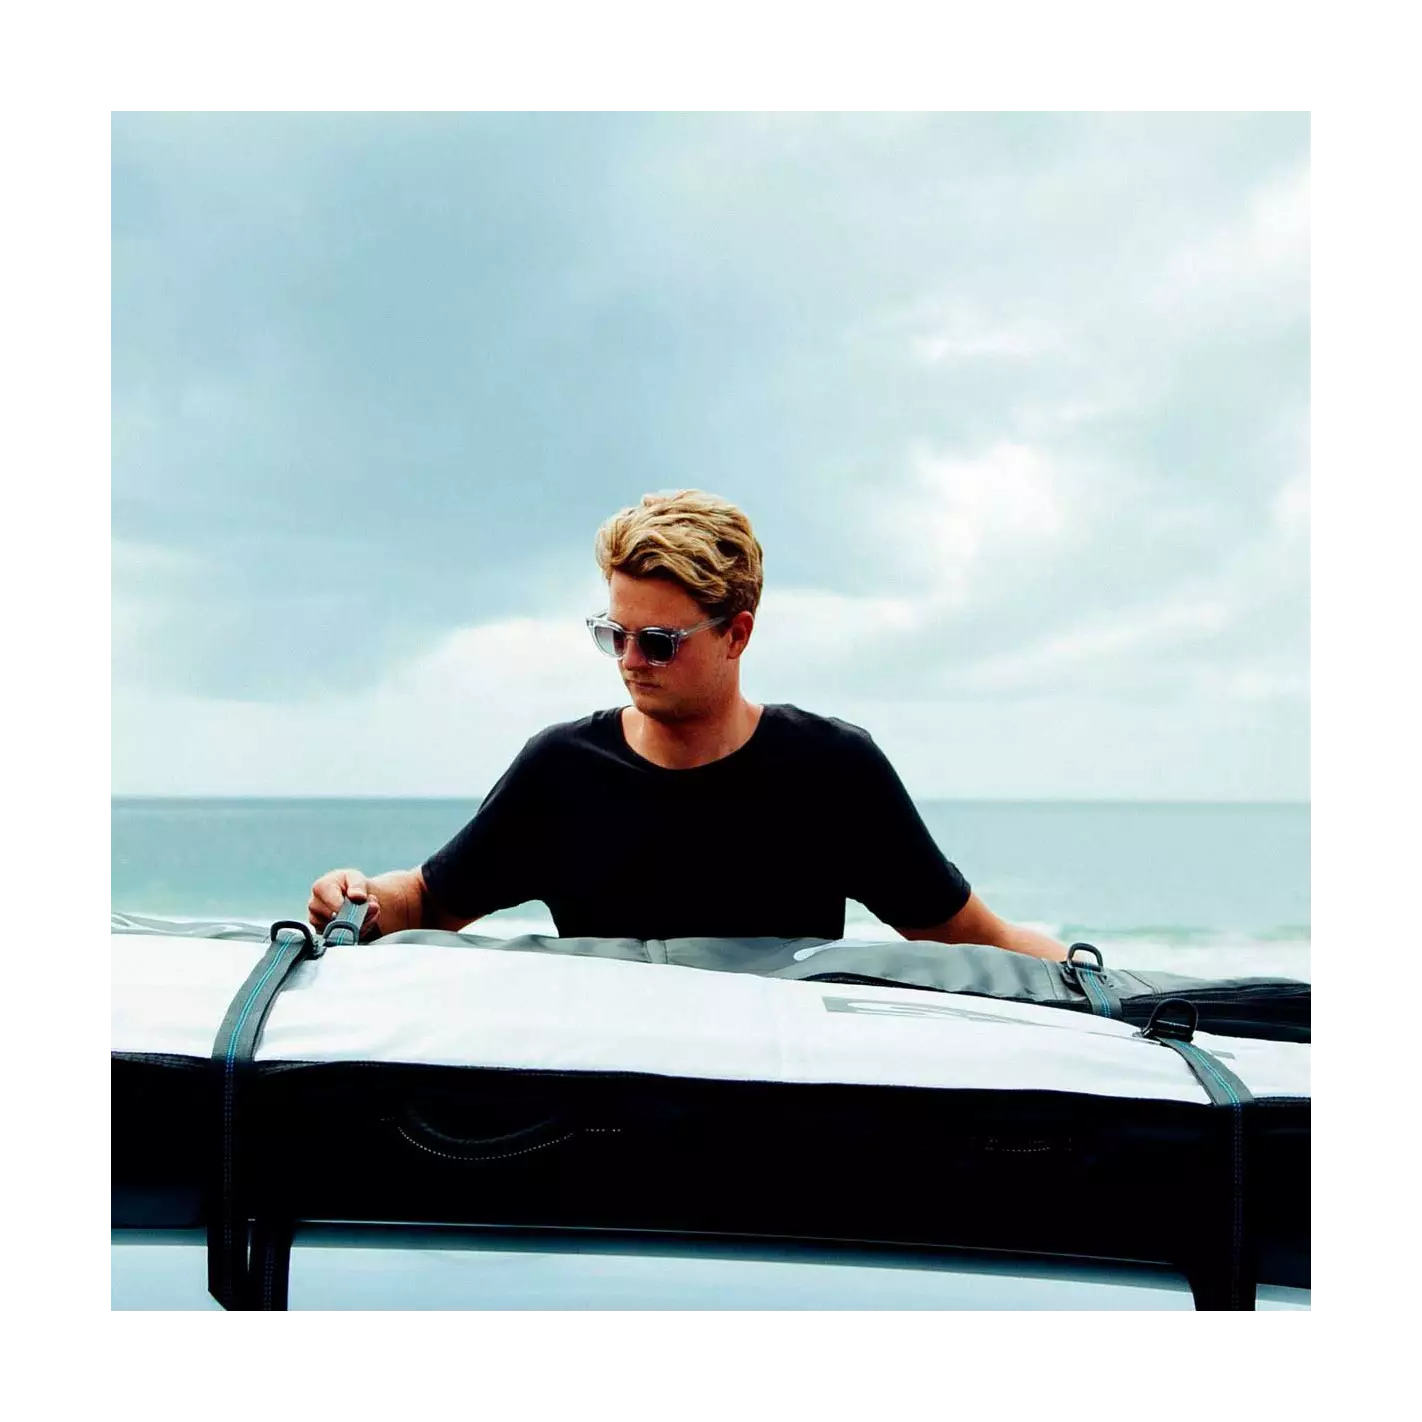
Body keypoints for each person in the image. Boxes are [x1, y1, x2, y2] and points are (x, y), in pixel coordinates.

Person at [309, 490, 1067, 961]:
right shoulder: (562, 771)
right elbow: (429, 902)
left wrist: (1096, 987)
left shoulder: (832, 771)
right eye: (614, 635)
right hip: (607, 1119)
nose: (630, 661)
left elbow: (980, 942)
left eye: (659, 642)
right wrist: (362, 897)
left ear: (737, 634)